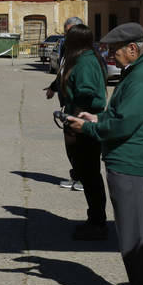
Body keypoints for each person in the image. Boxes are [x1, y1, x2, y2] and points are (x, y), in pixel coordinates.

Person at [68, 22, 143, 285]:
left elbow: (124, 124)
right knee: (133, 233)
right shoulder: (140, 73)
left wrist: (89, 128)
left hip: (132, 164)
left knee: (134, 236)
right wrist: (98, 119)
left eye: (116, 50)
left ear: (133, 49)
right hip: (130, 162)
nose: (111, 55)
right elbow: (122, 115)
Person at [57, 24, 107, 241]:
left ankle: (97, 222)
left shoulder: (85, 62)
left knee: (90, 175)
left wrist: (75, 119)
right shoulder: (83, 58)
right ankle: (95, 219)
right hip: (79, 121)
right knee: (88, 175)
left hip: (83, 124)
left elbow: (86, 93)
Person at [44, 17, 85, 191]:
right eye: (66, 31)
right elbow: (62, 71)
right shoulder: (66, 47)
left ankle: (83, 179)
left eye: (70, 31)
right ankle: (76, 176)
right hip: (67, 103)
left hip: (79, 107)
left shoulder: (84, 52)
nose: (67, 34)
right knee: (70, 145)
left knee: (79, 145)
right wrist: (54, 87)